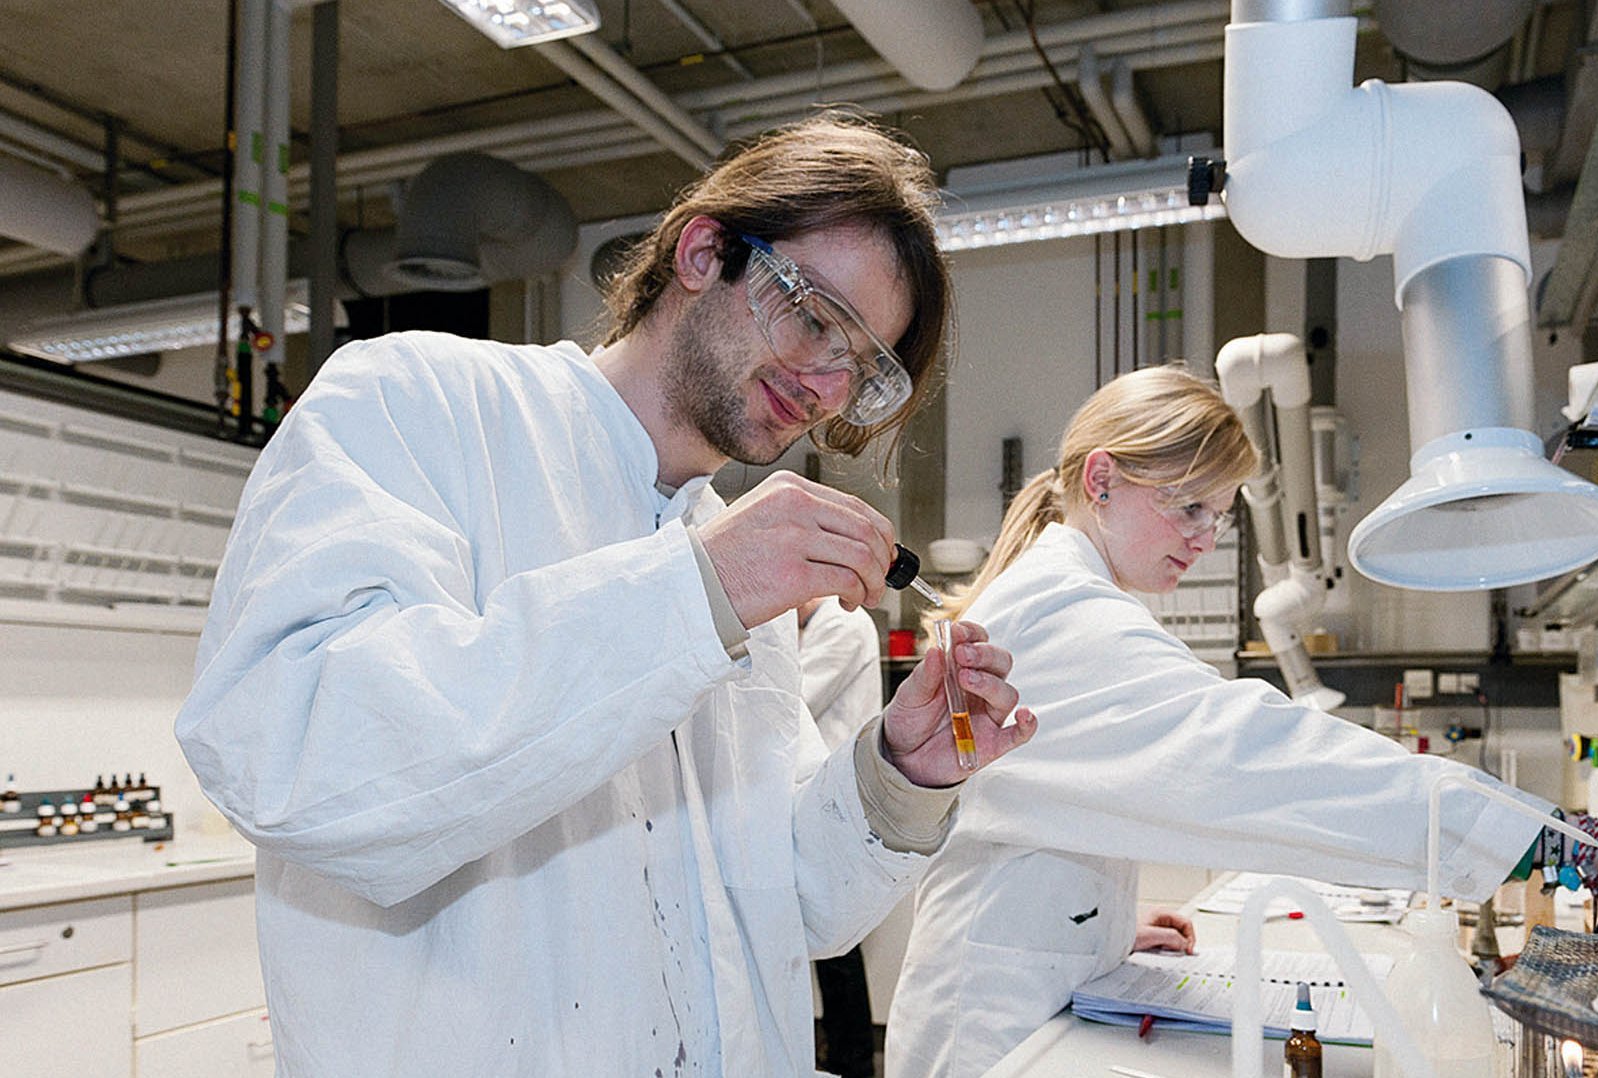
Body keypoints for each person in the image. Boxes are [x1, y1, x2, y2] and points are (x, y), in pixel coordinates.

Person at [174, 114, 1037, 1077]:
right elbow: (297, 759)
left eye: (862, 368)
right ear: (703, 251)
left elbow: (783, 903)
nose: (825, 384)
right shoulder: (417, 402)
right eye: (813, 316)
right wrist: (693, 593)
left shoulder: (728, 562)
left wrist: (896, 777)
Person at [883, 366, 1598, 1078]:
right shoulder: (1064, 610)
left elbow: (1033, 811)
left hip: (1039, 984)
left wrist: (1104, 926)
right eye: (1188, 506)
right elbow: (1266, 756)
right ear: (1102, 480)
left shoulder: (1065, 594)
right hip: (989, 1032)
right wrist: (1581, 849)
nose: (1203, 537)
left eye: (1218, 516)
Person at [797, 596, 883, 1078]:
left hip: (836, 805)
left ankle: (853, 1064)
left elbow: (796, 700)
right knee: (834, 949)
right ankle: (845, 1059)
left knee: (838, 951)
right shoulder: (823, 626)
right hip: (826, 802)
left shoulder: (843, 623)